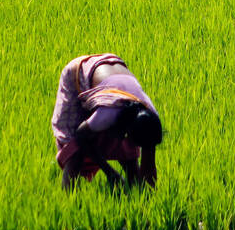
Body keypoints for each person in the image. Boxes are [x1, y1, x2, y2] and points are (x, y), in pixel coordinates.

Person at [51, 53, 162, 189]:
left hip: (112, 70)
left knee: (130, 156)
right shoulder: (108, 113)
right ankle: (68, 200)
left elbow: (149, 165)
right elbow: (81, 136)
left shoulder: (149, 117)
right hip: (77, 73)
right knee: (74, 151)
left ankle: (137, 196)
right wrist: (110, 172)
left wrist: (148, 194)